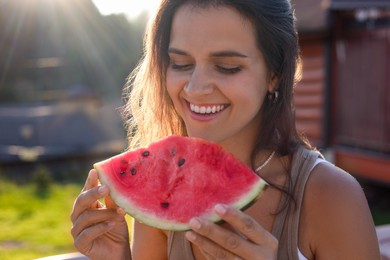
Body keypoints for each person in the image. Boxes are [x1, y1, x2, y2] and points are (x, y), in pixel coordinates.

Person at [70, 0, 381, 259]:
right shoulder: (166, 186)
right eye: (180, 63)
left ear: (274, 74)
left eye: (227, 67)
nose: (196, 88)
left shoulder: (332, 197)